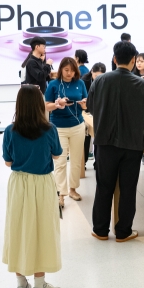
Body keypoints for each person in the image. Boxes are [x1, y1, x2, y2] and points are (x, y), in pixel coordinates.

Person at [88, 41, 144, 242]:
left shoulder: (99, 81)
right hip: (132, 142)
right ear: (132, 60)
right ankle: (123, 231)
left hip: (105, 141)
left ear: (114, 59)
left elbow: (92, 108)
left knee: (104, 186)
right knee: (128, 188)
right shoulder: (143, 84)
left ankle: (100, 230)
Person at [2, 85, 63, 288]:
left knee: (18, 229)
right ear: (39, 105)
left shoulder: (10, 131)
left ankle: (21, 285)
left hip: (19, 184)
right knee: (43, 231)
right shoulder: (49, 129)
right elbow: (56, 155)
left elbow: (8, 161)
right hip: (43, 183)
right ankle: (39, 286)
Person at [44, 57, 88, 207]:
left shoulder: (80, 83)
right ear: (61, 69)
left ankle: (73, 189)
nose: (69, 73)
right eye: (66, 70)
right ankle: (60, 194)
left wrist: (84, 104)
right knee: (60, 161)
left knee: (76, 160)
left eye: (72, 70)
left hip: (77, 126)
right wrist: (57, 104)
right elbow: (46, 107)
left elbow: (85, 104)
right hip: (58, 127)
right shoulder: (53, 84)